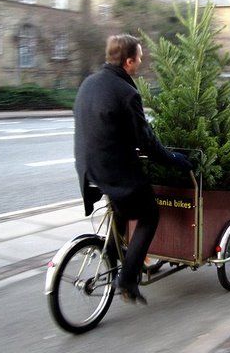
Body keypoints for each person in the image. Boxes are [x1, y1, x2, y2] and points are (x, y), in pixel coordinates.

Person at [74, 34, 191, 304]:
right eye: (139, 58)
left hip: (88, 167)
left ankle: (116, 257)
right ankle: (127, 280)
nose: (140, 62)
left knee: (122, 206)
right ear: (128, 61)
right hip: (114, 170)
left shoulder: (88, 83)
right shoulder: (127, 92)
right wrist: (175, 159)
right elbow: (147, 142)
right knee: (149, 215)